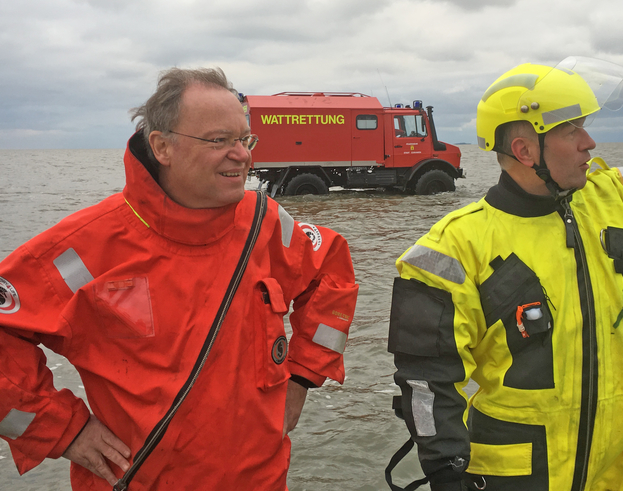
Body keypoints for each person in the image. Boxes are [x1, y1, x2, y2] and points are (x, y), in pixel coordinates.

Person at [386, 56, 623, 491]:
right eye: (572, 130)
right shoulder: (452, 249)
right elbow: (427, 384)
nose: (589, 142)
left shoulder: (616, 200)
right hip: (520, 477)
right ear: (525, 151)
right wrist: (446, 474)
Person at [0, 67, 359, 490]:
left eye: (244, 139)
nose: (242, 155)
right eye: (219, 140)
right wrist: (64, 429)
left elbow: (331, 274)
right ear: (162, 146)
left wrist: (301, 377)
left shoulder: (265, 222)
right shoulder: (86, 246)